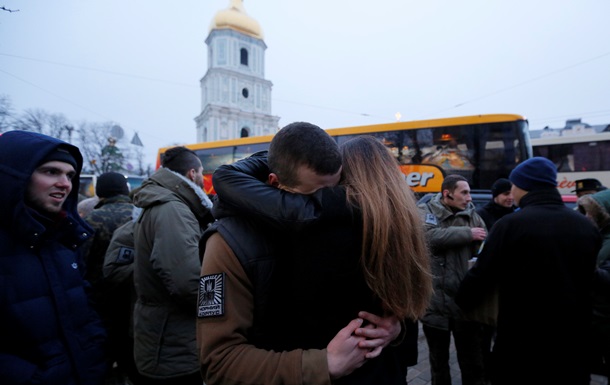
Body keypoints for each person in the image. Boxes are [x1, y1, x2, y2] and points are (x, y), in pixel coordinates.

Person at [198, 125, 433, 384]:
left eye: (336, 190)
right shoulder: (233, 238)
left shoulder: (355, 230)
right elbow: (219, 361)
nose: (327, 204)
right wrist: (322, 364)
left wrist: (396, 327)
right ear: (275, 183)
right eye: (315, 197)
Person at [456, 157, 602, 385]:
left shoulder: (510, 225)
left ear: (525, 185)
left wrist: (461, 300)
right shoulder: (585, 226)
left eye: (514, 185)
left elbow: (481, 275)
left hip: (522, 342)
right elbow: (590, 277)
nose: (512, 192)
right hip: (572, 341)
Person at [0, 130, 107, 384]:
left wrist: (97, 352)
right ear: (15, 176)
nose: (65, 184)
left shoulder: (63, 239)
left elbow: (85, 308)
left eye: (70, 175)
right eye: (51, 172)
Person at [132, 146, 214, 384]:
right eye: (201, 172)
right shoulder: (173, 209)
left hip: (166, 338)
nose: (202, 177)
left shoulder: (166, 204)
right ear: (191, 174)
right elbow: (189, 282)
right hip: (174, 345)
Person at [417, 174, 488, 385]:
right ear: (447, 194)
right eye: (464, 192)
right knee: (439, 364)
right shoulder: (425, 211)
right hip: (434, 305)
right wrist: (467, 233)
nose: (469, 197)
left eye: (469, 192)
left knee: (472, 363)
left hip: (464, 306)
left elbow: (485, 248)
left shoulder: (474, 216)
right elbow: (427, 237)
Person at [80, 171, 143, 385]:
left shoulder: (92, 219)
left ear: (100, 193)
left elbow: (81, 263)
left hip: (103, 302)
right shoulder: (140, 214)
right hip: (137, 296)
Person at [577, 190, 610, 381]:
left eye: (591, 212)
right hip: (597, 314)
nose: (587, 217)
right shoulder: (599, 235)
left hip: (603, 315)